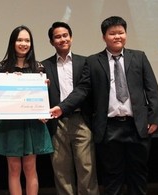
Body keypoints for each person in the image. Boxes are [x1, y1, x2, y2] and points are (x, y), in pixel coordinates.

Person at [50, 16, 158, 195]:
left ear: (126, 34)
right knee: (112, 177)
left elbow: (152, 90)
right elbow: (82, 90)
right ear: (104, 37)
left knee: (138, 175)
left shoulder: (139, 57)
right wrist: (63, 107)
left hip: (137, 126)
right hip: (109, 128)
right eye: (112, 33)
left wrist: (155, 118)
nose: (117, 36)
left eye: (121, 32)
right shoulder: (94, 61)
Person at [0, 25, 53, 195]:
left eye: (27, 40)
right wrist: (8, 82)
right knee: (13, 168)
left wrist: (44, 89)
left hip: (32, 124)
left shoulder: (39, 67)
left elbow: (43, 98)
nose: (23, 43)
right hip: (10, 124)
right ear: (13, 42)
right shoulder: (2, 67)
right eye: (19, 40)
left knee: (30, 168)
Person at [41, 22, 99, 195]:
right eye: (57, 37)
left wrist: (62, 107)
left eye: (65, 35)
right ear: (52, 42)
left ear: (71, 37)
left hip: (81, 120)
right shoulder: (43, 66)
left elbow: (84, 90)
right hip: (56, 124)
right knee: (61, 171)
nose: (62, 39)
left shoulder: (85, 62)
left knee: (86, 169)